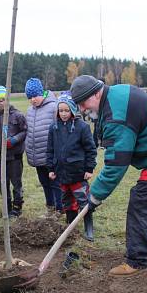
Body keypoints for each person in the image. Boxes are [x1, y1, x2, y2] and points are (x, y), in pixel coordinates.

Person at [71, 75, 147, 277]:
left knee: (142, 200)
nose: (82, 109)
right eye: (79, 104)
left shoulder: (117, 116)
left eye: (84, 102)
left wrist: (93, 197)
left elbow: (116, 164)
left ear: (97, 93)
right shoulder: (115, 94)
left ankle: (136, 260)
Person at [46, 93, 97, 240]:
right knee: (66, 200)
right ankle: (70, 225)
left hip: (78, 172)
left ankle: (88, 227)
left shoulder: (82, 127)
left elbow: (90, 149)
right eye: (60, 110)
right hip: (61, 172)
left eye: (66, 110)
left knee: (83, 199)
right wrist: (50, 168)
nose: (63, 114)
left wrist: (89, 168)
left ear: (73, 110)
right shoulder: (53, 128)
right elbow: (50, 150)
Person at [24, 77, 62, 216]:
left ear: (42, 93)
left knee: (55, 182)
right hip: (37, 155)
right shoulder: (30, 110)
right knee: (44, 183)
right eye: (30, 97)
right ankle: (50, 208)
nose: (33, 99)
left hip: (50, 154)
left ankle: (59, 208)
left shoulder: (53, 107)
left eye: (35, 96)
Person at [0, 85, 27, 217]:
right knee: (3, 183)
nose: (1, 103)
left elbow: (24, 131)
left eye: (3, 99)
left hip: (15, 156)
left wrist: (14, 140)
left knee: (16, 182)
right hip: (2, 156)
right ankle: (7, 206)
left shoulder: (18, 115)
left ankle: (17, 207)